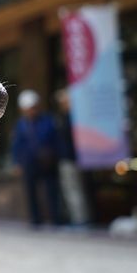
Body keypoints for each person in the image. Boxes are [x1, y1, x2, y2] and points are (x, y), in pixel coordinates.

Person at [11, 89, 62, 228]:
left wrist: (54, 155)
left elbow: (55, 140)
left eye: (33, 108)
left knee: (51, 190)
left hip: (47, 161)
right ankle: (35, 219)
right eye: (28, 109)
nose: (31, 111)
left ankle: (55, 218)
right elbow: (16, 144)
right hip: (29, 162)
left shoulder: (48, 120)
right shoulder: (21, 124)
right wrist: (17, 162)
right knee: (31, 191)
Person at [54, 88, 91, 225]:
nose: (62, 104)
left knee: (74, 190)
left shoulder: (73, 118)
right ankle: (78, 218)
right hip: (68, 158)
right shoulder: (66, 117)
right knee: (72, 190)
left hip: (71, 159)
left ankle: (80, 220)